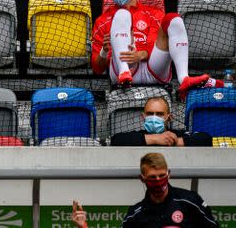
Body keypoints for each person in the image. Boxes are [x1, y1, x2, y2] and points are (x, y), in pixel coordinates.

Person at [91, 0, 221, 96]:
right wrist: (104, 51)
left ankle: (184, 79)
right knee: (121, 14)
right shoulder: (103, 21)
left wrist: (142, 54)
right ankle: (124, 72)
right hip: (121, 71)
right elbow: (97, 69)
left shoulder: (153, 14)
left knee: (174, 19)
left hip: (154, 68)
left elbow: (156, 42)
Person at [72, 153, 217, 227]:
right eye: (153, 177)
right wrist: (84, 226)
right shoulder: (135, 215)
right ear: (142, 179)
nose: (158, 181)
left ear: (169, 174)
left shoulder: (190, 201)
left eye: (162, 176)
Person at [111, 96, 212, 147]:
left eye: (159, 114)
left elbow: (206, 138)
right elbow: (116, 140)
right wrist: (155, 139)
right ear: (143, 117)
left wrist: (176, 141)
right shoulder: (138, 135)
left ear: (169, 117)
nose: (154, 117)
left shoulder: (176, 134)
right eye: (150, 114)